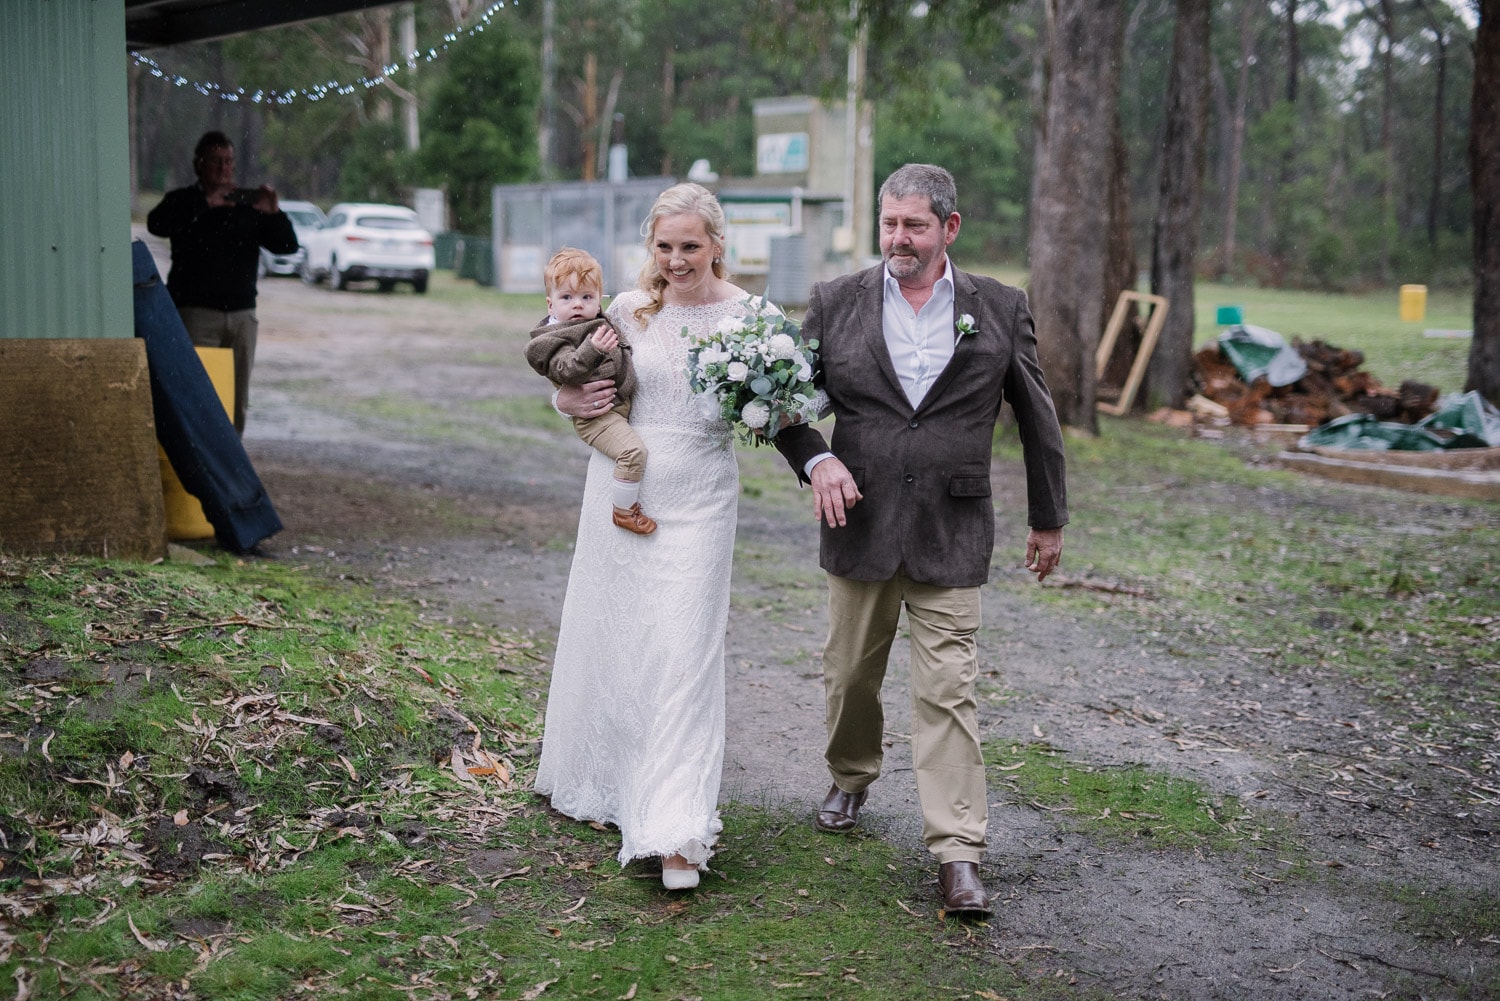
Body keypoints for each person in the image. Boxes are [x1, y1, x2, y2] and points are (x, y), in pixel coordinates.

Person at [771, 163, 1068, 917]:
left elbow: (1037, 417)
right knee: (849, 677)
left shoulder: (998, 307)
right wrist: (816, 457)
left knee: (947, 692)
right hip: (859, 525)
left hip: (952, 528)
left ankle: (958, 851)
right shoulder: (836, 303)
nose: (899, 239)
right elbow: (786, 406)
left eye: (914, 225)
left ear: (950, 229)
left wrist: (1048, 516)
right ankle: (849, 773)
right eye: (890, 223)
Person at [534, 183, 767, 891]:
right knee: (626, 638)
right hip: (623, 489)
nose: (675, 259)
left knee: (684, 651)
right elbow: (567, 366)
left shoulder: (752, 316)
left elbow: (777, 406)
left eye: (689, 245)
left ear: (717, 245)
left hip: (700, 496)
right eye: (664, 246)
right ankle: (613, 783)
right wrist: (562, 398)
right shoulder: (629, 310)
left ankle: (675, 829)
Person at [146, 131, 298, 434]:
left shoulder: (245, 205)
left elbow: (287, 246)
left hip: (241, 315)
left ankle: (231, 467)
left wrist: (274, 213)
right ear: (199, 165)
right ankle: (194, 465)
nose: (223, 169)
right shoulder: (184, 201)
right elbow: (156, 223)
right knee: (195, 394)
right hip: (196, 314)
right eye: (216, 162)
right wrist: (205, 204)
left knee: (237, 397)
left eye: (228, 162)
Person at [525, 249, 656, 535]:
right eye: (566, 297)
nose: (577, 305)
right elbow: (565, 370)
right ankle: (624, 511)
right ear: (550, 305)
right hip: (596, 416)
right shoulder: (555, 338)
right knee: (632, 452)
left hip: (618, 409)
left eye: (587, 297)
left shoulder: (598, 322)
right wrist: (592, 350)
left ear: (599, 300)